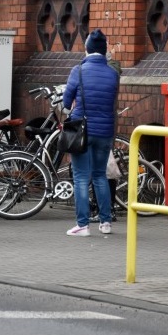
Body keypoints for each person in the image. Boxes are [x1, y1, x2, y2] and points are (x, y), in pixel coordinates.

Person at [62, 29, 119, 237]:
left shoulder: (78, 71)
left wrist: (69, 109)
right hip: (105, 131)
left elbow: (66, 104)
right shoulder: (113, 74)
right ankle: (105, 222)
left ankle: (83, 225)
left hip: (82, 132)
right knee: (100, 175)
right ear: (104, 51)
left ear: (86, 49)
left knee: (80, 176)